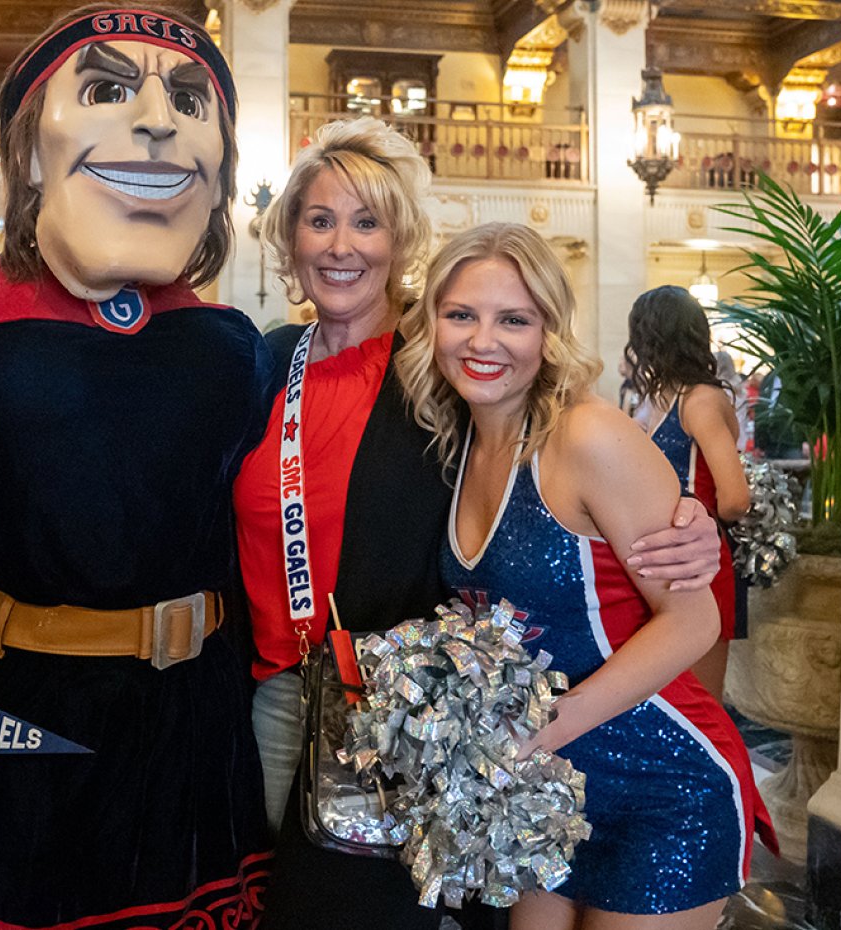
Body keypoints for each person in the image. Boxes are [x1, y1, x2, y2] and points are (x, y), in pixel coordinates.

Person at [233, 121, 724, 930]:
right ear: (289, 234)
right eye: (320, 220)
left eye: (368, 221)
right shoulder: (267, 362)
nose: (342, 245)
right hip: (272, 694)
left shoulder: (436, 370)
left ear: (400, 241)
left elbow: (563, 442)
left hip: (396, 713)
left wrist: (687, 519)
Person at [0, 6, 274, 926]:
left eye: (189, 99)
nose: (157, 119)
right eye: (110, 89)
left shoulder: (229, 345)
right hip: (29, 717)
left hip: (197, 716)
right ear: (30, 151)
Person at [394, 223, 773, 929]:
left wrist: (534, 732)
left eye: (514, 319)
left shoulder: (587, 436)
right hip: (549, 793)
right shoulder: (456, 438)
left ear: (549, 330)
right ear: (431, 324)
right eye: (461, 315)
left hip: (661, 788)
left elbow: (696, 621)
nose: (483, 341)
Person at [626, 286, 750, 699]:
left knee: (700, 702)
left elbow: (735, 498)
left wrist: (690, 525)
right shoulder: (657, 398)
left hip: (697, 563)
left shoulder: (700, 401)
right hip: (657, 562)